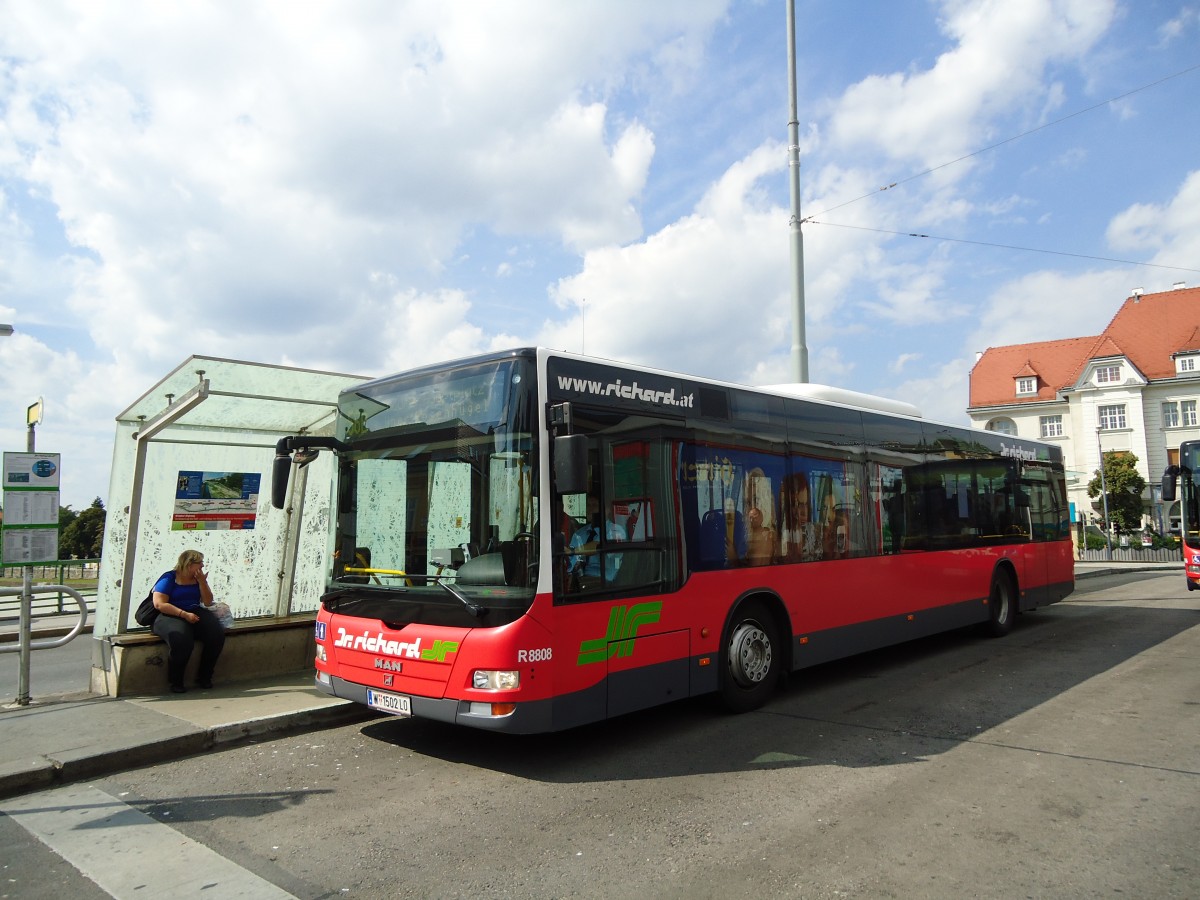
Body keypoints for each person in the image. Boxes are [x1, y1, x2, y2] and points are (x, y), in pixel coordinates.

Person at [150, 549, 225, 693]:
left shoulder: (198, 579)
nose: (202, 567)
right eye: (199, 563)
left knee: (216, 635)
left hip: (193, 610)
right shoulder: (169, 578)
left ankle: (205, 676)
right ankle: (176, 681)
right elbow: (159, 604)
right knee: (181, 640)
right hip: (170, 613)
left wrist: (203, 582)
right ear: (189, 564)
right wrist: (183, 614)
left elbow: (208, 601)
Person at [568, 495, 625, 585]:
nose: (590, 509)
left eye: (594, 505)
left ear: (606, 510)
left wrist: (574, 551)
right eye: (588, 505)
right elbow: (570, 563)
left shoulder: (616, 530)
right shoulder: (579, 534)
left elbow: (598, 546)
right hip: (582, 583)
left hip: (606, 584)